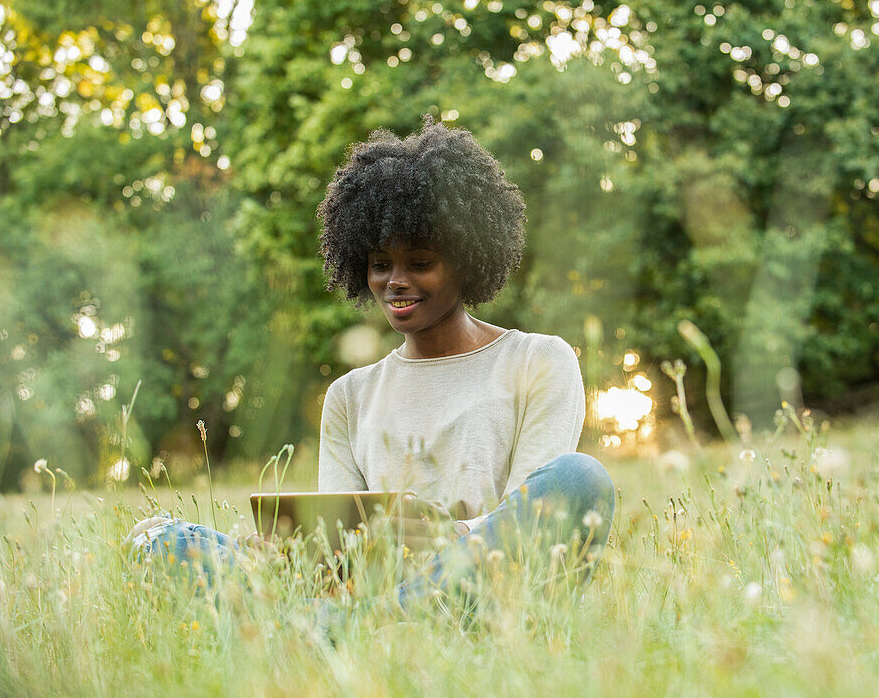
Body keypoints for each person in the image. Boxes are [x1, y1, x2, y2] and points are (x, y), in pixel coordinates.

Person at [130, 115, 616, 616]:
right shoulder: (348, 396)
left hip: (486, 588)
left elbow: (537, 516)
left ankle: (337, 629)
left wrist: (450, 536)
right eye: (380, 264)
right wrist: (294, 557)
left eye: (420, 262)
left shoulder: (538, 359)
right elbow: (338, 548)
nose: (394, 282)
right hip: (373, 590)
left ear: (468, 260)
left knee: (581, 478)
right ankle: (357, 624)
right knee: (158, 539)